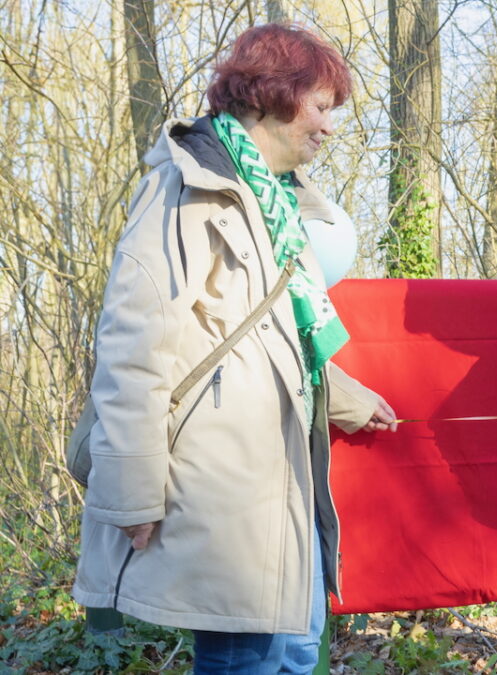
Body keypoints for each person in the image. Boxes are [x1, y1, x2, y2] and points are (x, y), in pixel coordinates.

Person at [71, 24, 397, 673]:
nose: (330, 128)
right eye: (323, 105)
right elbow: (135, 347)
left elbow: (278, 338)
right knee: (247, 660)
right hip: (220, 490)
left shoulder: (273, 202)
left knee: (294, 656)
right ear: (273, 92)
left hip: (281, 483)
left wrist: (353, 401)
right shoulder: (185, 189)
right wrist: (132, 492)